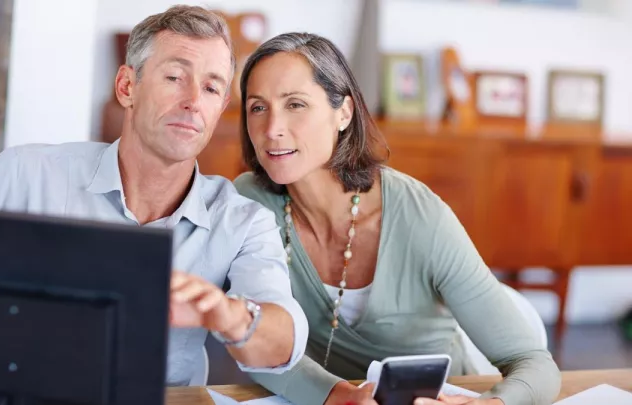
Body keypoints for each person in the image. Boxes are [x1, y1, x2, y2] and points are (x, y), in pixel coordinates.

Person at [0, 6, 308, 387]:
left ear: (220, 108)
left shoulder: (242, 222)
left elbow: (281, 347)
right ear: (126, 87)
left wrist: (226, 314)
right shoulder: (26, 174)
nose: (193, 101)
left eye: (211, 88)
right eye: (174, 77)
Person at [233, 32, 561, 405]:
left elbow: (534, 364)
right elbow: (251, 340)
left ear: (344, 112)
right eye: (258, 107)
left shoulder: (421, 218)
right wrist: (335, 395)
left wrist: (489, 404)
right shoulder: (250, 202)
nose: (272, 128)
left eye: (295, 104)